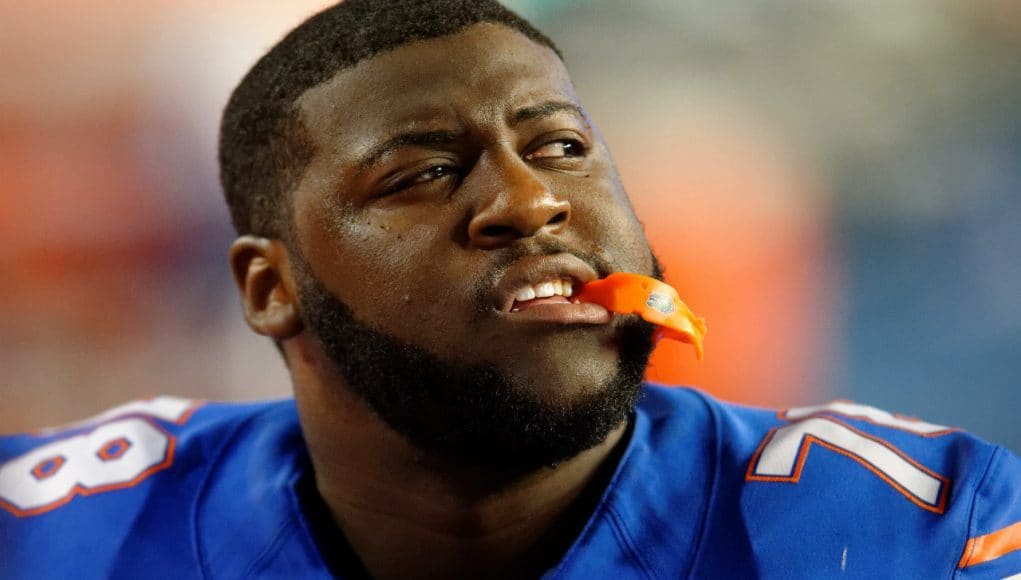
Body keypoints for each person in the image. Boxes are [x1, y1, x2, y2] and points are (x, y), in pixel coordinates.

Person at [1, 1, 1019, 578]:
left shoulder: (924, 533)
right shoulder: (52, 534)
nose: (531, 201)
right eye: (421, 172)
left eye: (564, 147)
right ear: (272, 287)